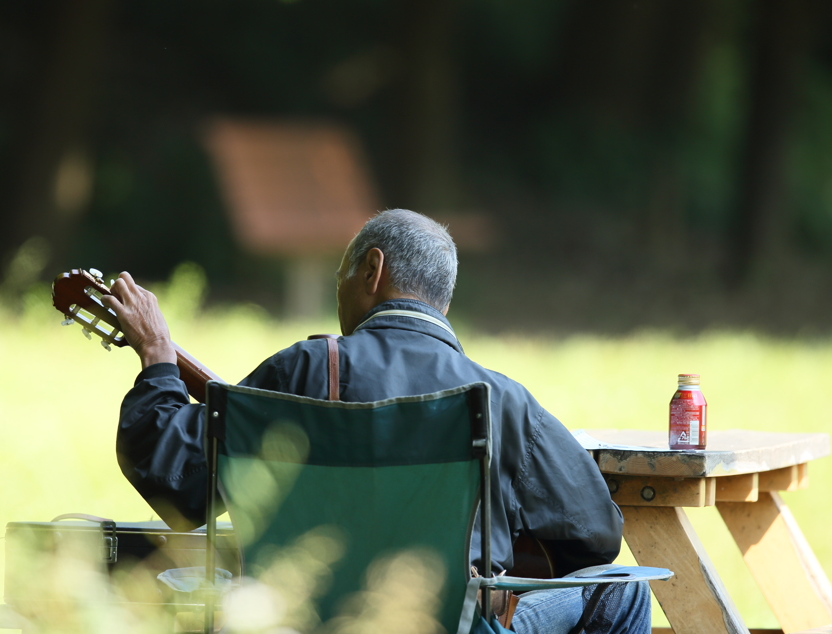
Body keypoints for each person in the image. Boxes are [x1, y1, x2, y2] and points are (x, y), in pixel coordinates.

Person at [104, 209, 650, 634]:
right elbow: (596, 537)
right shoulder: (502, 399)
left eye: (339, 278)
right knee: (624, 588)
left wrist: (158, 356)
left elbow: (173, 478)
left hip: (297, 623)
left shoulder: (305, 371)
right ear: (441, 302)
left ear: (372, 270)